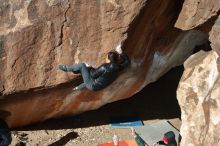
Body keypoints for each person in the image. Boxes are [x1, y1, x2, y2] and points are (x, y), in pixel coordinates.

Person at [58, 44, 130, 91]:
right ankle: (78, 87)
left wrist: (89, 67)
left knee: (82, 66)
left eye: (106, 58)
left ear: (109, 59)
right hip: (101, 86)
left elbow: (93, 75)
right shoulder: (119, 67)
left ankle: (67, 68)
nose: (105, 59)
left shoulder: (104, 67)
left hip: (93, 85)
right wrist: (121, 52)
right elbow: (127, 62)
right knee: (90, 76)